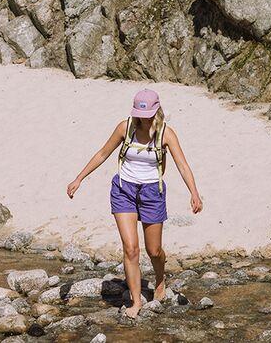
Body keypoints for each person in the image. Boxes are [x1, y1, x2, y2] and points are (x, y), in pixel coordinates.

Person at [66, 88, 204, 318]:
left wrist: (194, 193)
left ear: (156, 110)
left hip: (152, 192)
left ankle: (160, 279)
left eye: (148, 113)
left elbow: (183, 165)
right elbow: (103, 153)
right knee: (131, 248)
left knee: (154, 250)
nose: (144, 117)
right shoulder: (125, 127)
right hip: (124, 190)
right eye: (141, 113)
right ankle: (136, 301)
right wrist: (79, 178)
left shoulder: (166, 134)